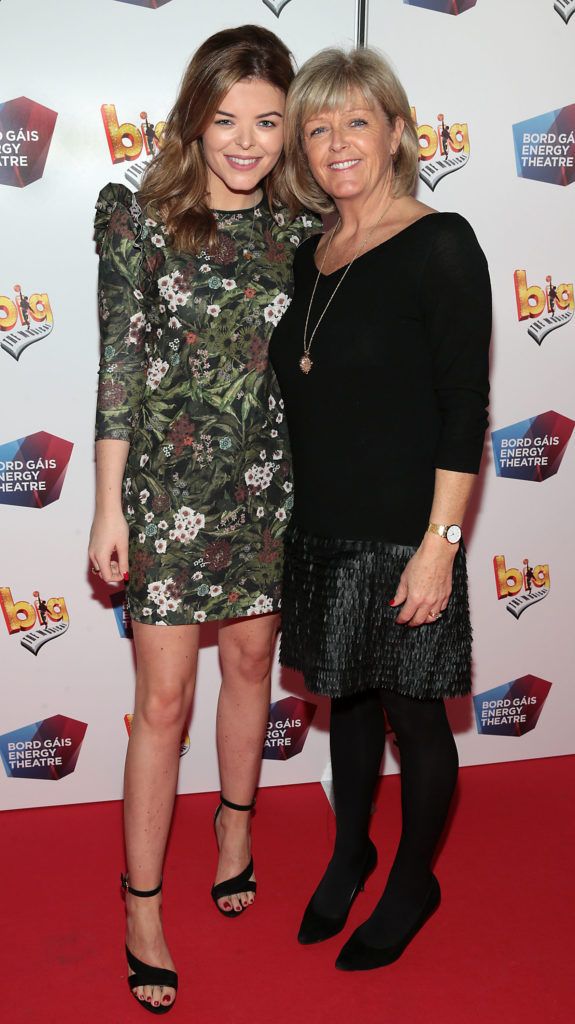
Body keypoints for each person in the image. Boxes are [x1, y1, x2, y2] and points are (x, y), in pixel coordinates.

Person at [89, 25, 319, 1013]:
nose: (245, 139)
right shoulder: (138, 220)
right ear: (194, 117)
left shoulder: (304, 233)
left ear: (288, 127)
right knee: (165, 701)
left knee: (251, 670)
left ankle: (234, 824)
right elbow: (121, 369)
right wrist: (107, 503)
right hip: (164, 496)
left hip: (267, 484)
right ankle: (142, 906)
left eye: (267, 120)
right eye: (226, 118)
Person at [270, 46, 491, 972]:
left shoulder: (441, 243)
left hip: (405, 534)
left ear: (397, 132)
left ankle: (412, 879)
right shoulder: (308, 254)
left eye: (356, 121)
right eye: (316, 127)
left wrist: (439, 546)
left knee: (416, 718)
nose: (336, 143)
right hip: (320, 526)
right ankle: (349, 848)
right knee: (346, 703)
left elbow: (461, 411)